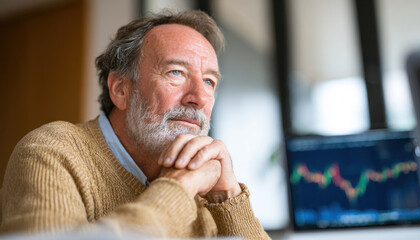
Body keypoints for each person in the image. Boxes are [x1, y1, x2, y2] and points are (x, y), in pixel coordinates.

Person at [0, 10, 270, 239]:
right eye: (176, 72)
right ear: (120, 90)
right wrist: (177, 191)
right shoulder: (51, 151)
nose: (199, 98)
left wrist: (228, 197)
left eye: (209, 82)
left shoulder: (203, 183)